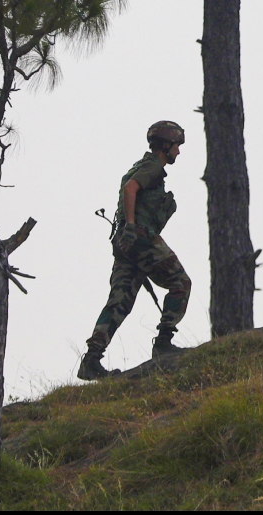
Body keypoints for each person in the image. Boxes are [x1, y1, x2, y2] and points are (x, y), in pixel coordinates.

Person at [78, 121, 194, 380]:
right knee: (180, 282)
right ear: (166, 145)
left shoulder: (142, 165)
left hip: (126, 245)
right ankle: (164, 342)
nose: (178, 152)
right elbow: (131, 188)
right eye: (177, 146)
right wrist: (131, 226)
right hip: (140, 238)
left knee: (119, 301)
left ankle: (91, 360)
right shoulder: (152, 167)